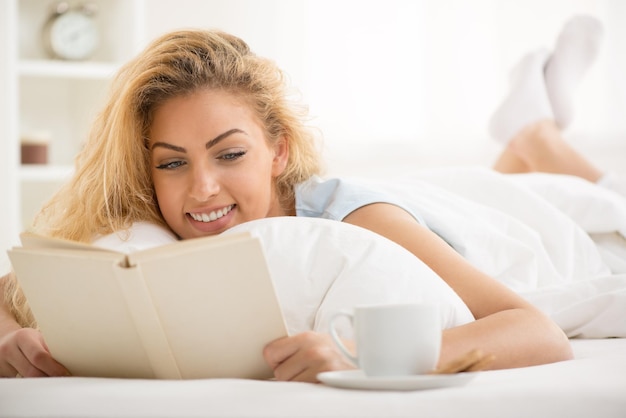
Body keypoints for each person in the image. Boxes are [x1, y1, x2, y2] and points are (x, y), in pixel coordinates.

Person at [3, 16, 615, 380]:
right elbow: (9, 286)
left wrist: (367, 357)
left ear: (280, 152)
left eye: (231, 153)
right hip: (448, 198)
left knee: (596, 200)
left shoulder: (353, 218)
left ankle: (534, 134)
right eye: (172, 162)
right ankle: (529, 134)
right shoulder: (150, 228)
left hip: (530, 228)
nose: (202, 189)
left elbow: (538, 332)